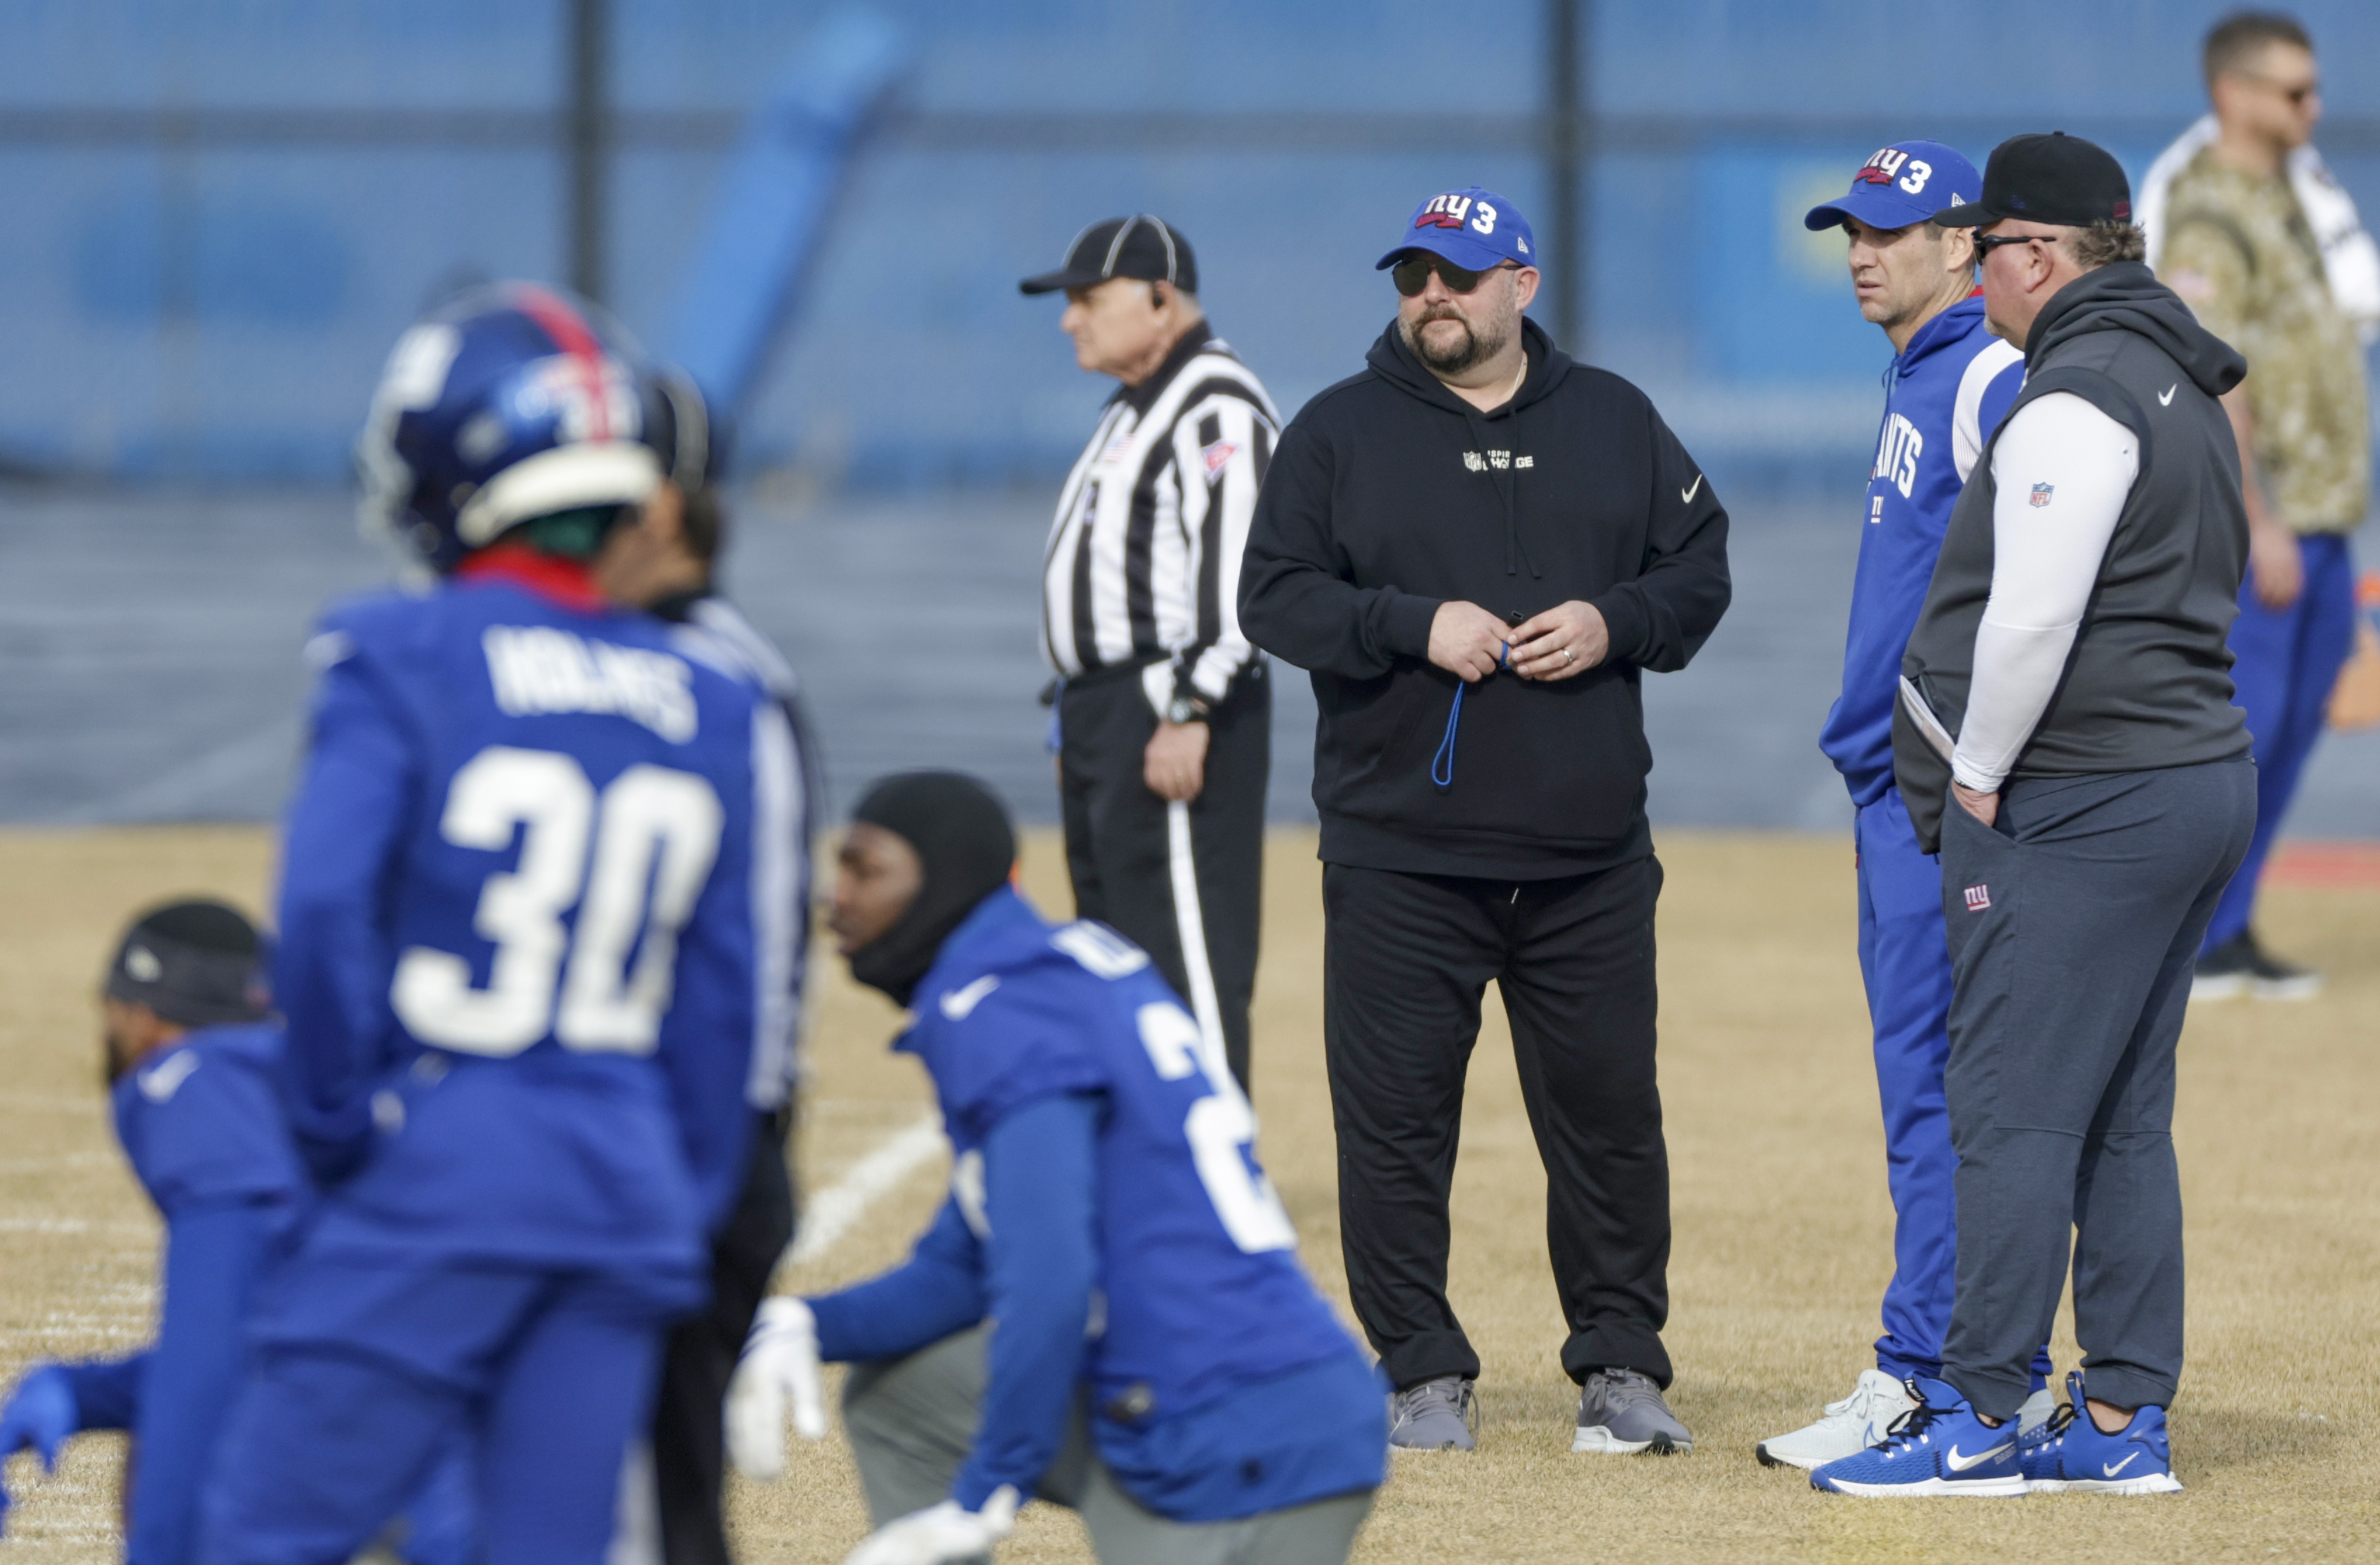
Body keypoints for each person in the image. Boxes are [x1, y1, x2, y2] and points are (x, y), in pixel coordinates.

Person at [194, 283, 800, 1563]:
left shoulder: (397, 647)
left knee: (253, 1529)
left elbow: (317, 911)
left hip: (441, 1171)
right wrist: (674, 1184)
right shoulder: (713, 694)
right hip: (620, 1191)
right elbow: (722, 993)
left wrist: (332, 1121)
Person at [1238, 187, 1731, 1455]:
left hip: (1588, 861)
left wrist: (1617, 620)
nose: (1430, 298)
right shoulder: (1339, 430)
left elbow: (1699, 565)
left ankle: (1620, 1366)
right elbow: (1275, 597)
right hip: (1401, 856)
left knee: (1610, 1115)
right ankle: (1421, 1373)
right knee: (1396, 1123)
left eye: (1456, 274)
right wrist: (1412, 621)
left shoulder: (1616, 417)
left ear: (1522, 281)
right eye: (1412, 277)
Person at [1813, 133, 2256, 1498]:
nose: (1981, 279)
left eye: (1993, 249)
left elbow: (2034, 613)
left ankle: (1981, 1415)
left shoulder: (2073, 393)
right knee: (2123, 1111)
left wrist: (1977, 770)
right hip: (2192, 780)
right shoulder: (2183, 375)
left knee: (2005, 1106)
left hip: (2087, 797)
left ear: (2040, 255)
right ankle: (2122, 1424)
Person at [725, 772, 1384, 1564]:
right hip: (1262, 1398)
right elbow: (963, 1268)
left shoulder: (998, 1007)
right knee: (902, 1391)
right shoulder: (1054, 969)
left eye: (867, 870)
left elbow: (1050, 1277)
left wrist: (986, 1490)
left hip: (1225, 1434)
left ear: (944, 882)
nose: (838, 897)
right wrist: (802, 1323)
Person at [1758, 142, 2056, 1470]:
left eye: (1888, 230)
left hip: (1942, 801)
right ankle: (1952, 1361)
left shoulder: (1991, 372)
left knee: (1944, 1088)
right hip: (1903, 795)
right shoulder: (1925, 372)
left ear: (1963, 243)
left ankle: (1937, 1373)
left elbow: (2065, 558)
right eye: (1850, 232)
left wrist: (1970, 757)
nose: (1862, 252)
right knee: (1927, 1087)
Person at [0, 902, 472, 1565]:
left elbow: (210, 1361)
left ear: (141, 1016)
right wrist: (83, 1393)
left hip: (433, 1466)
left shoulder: (195, 1086)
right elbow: (282, 1334)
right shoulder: (308, 1082)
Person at [592, 364, 817, 1565]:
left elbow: (757, 979)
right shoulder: (571, 656)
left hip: (688, 1152)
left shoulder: (724, 681)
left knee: (655, 1505)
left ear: (662, 511)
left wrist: (706, 1181)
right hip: (603, 1139)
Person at [1022, 216, 1276, 1088]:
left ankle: (1209, 1197)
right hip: (1108, 712)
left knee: (1183, 960)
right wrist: (1074, 715)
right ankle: (1145, 1182)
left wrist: (1186, 707)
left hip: (1169, 704)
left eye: (1089, 298)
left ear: (1160, 297)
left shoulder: (1213, 403)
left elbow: (1244, 580)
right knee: (1116, 957)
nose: (1070, 320)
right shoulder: (1135, 405)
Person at [2147, 11, 2371, 1000]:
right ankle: (2187, 935)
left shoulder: (2289, 193)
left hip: (2324, 512)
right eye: (2290, 91)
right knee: (2241, 724)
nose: (2309, 107)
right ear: (2232, 95)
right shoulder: (2208, 214)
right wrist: (2257, 517)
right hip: (2264, 520)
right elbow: (2212, 374)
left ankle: (2227, 931)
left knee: (2294, 719)